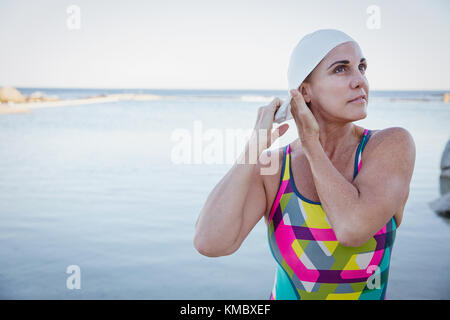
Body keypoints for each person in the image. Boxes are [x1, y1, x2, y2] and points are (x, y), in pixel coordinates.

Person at [193, 29, 416, 300]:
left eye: (362, 67)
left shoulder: (389, 146)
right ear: (304, 92)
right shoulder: (274, 168)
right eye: (341, 70)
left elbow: (351, 228)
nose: (360, 81)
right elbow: (210, 243)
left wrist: (311, 143)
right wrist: (254, 147)